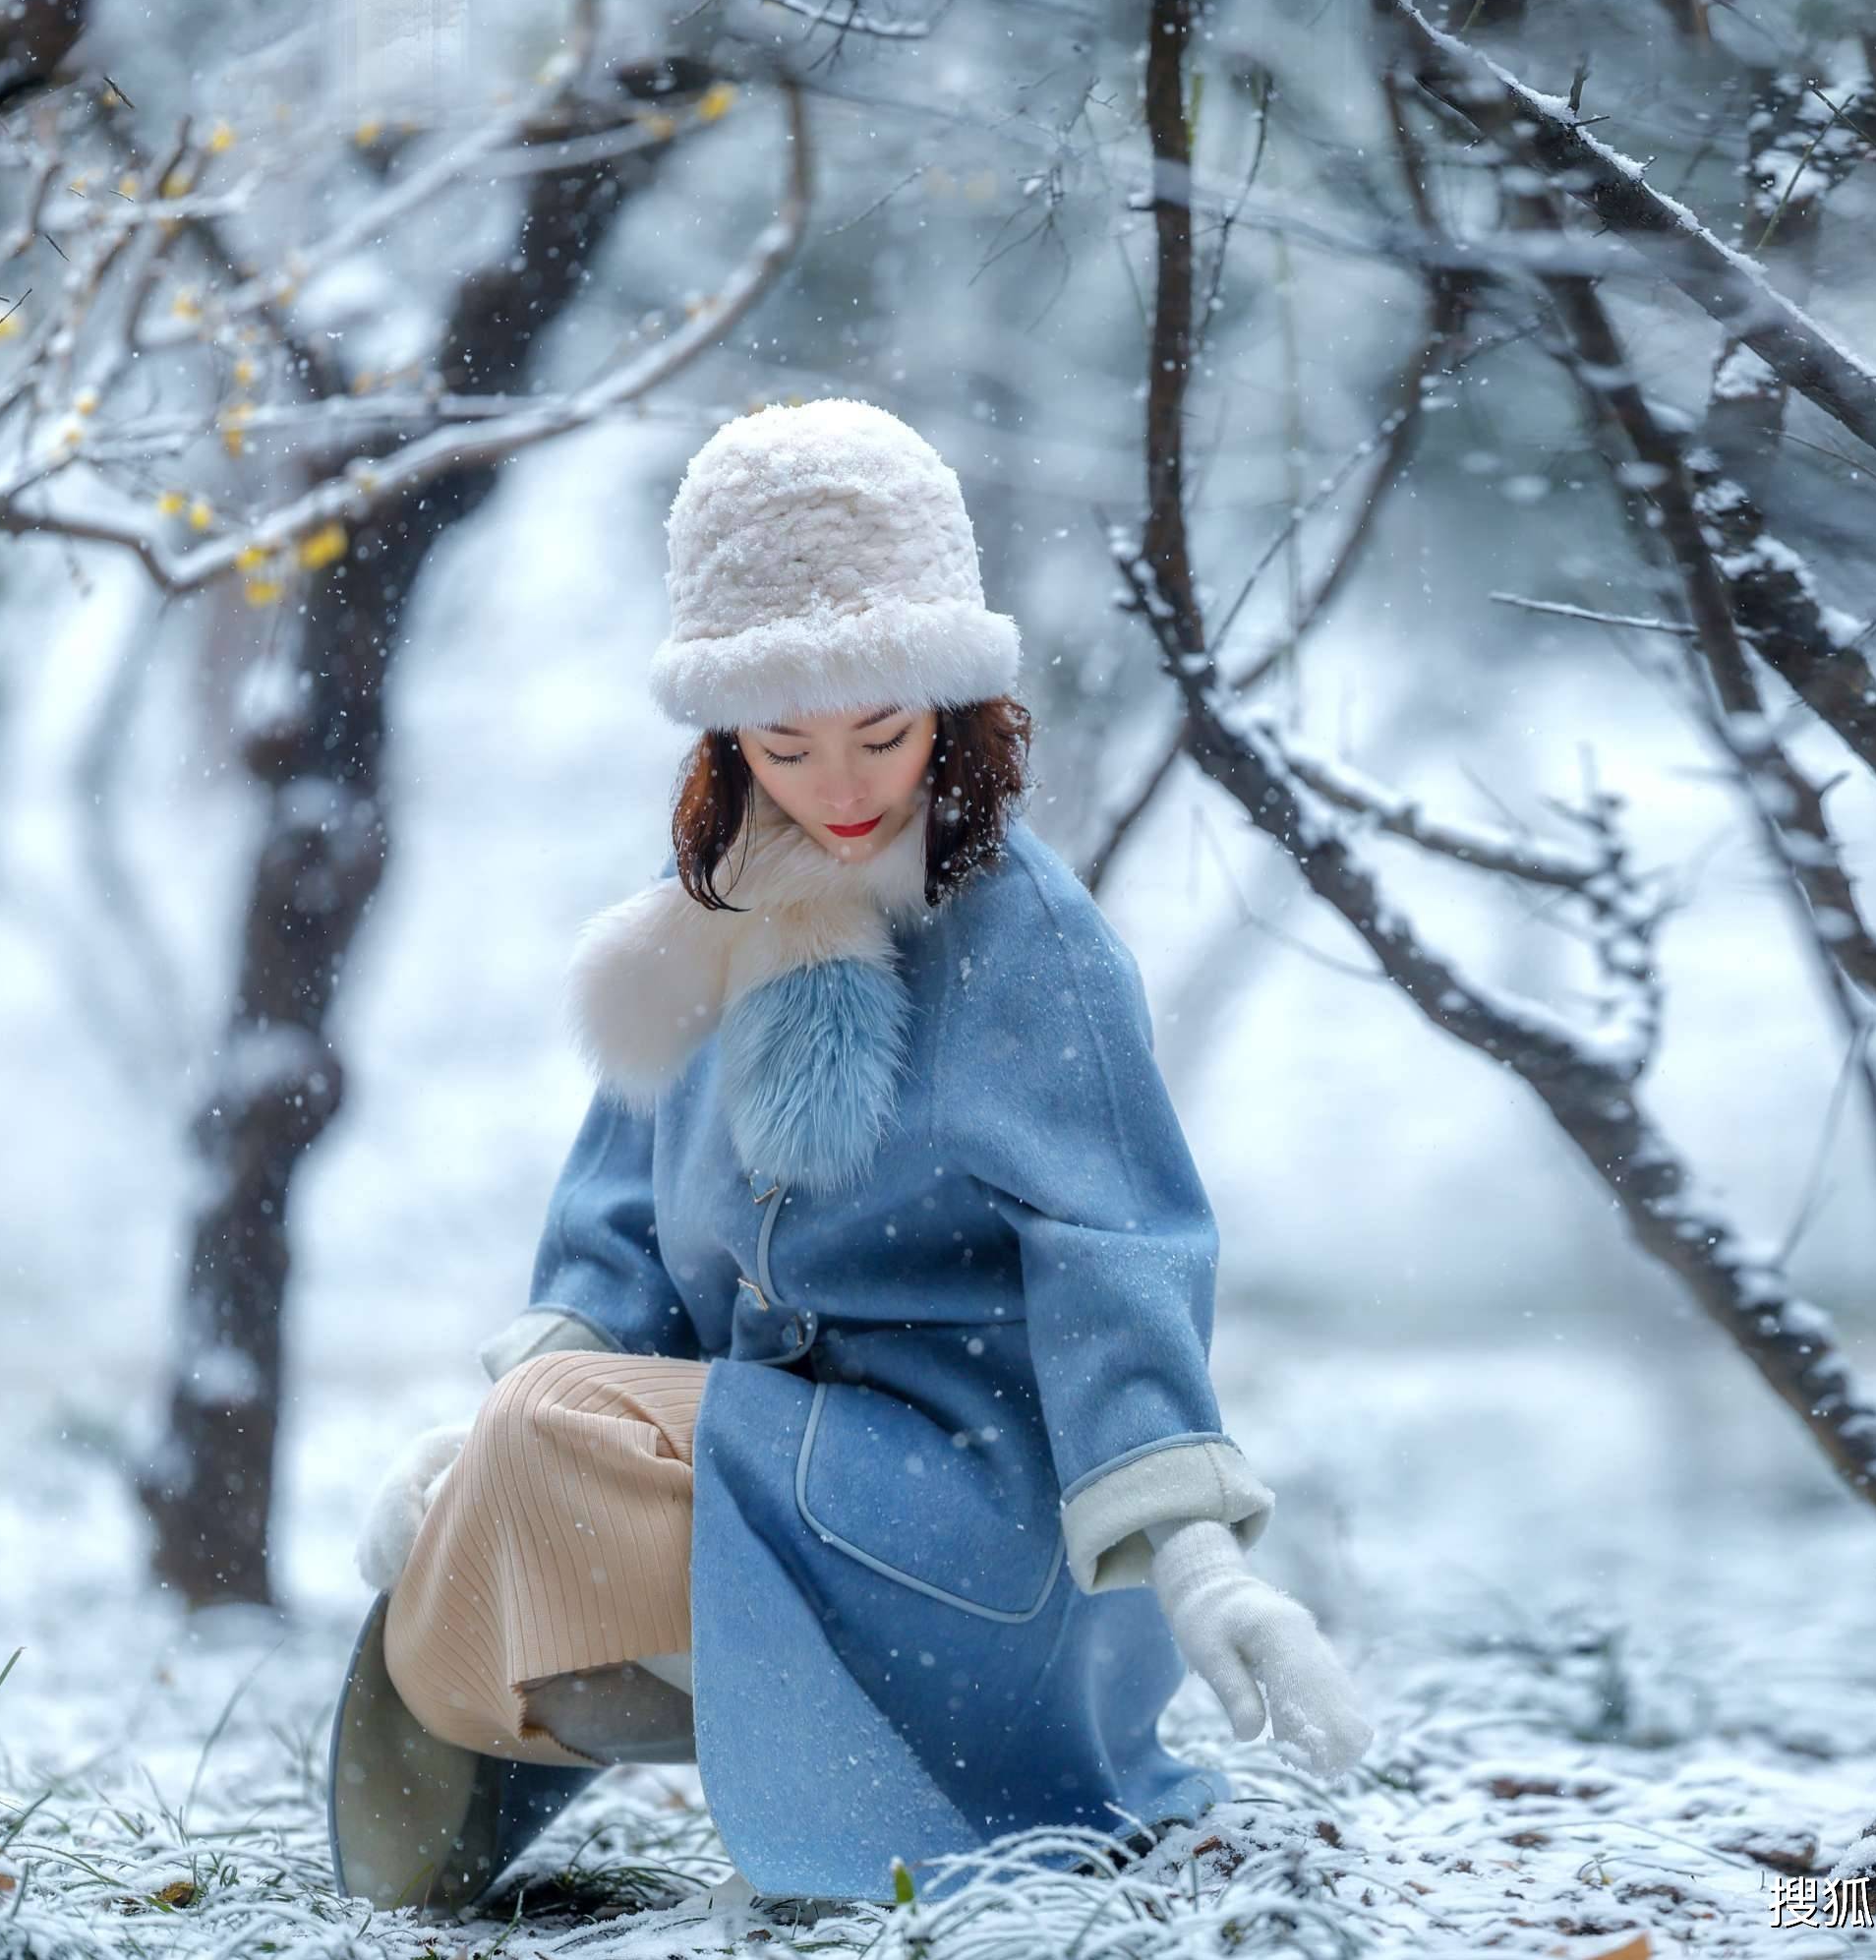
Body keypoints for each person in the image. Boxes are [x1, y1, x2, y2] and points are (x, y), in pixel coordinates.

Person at [324, 397, 1371, 1920]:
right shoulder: (695, 934)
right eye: (783, 741)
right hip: (768, 1456)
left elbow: (1116, 1257)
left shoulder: (1031, 947)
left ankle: (792, 1714)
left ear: (952, 707)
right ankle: (656, 1709)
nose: (840, 784)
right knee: (523, 1454)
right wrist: (467, 1450)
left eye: (882, 730)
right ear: (723, 738)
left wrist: (1197, 1561)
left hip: (979, 1508)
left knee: (549, 1436)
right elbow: (615, 1243)